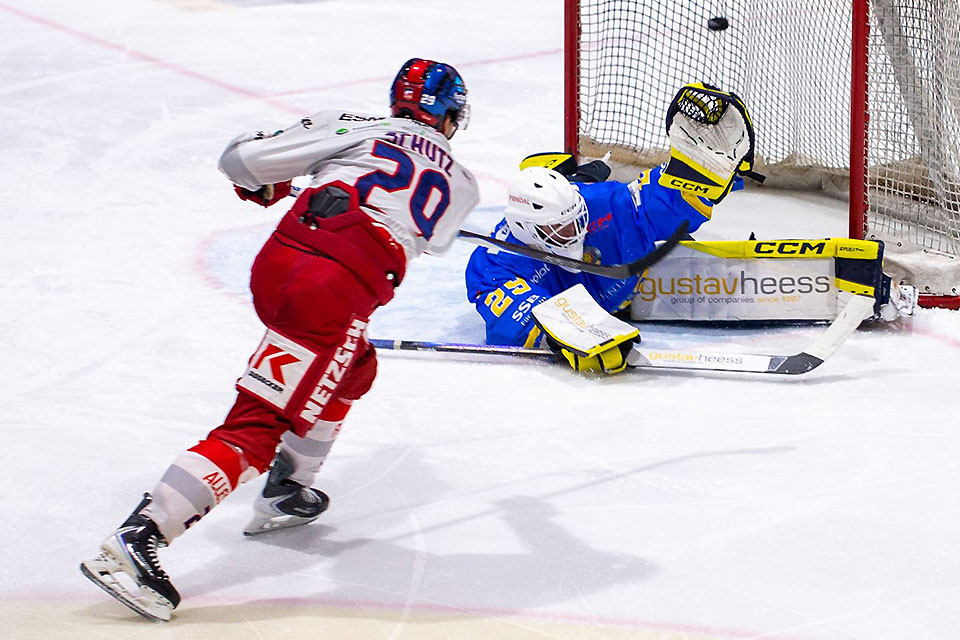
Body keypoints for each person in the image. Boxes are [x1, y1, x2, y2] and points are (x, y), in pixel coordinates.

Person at [80, 58, 479, 622]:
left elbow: (239, 160)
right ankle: (140, 537)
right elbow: (430, 235)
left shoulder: (350, 125)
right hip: (332, 291)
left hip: (279, 265)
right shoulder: (462, 183)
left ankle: (287, 490)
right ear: (453, 117)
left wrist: (277, 180)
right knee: (260, 420)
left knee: (354, 366)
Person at [464, 85, 758, 374]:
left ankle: (575, 176)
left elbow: (648, 203)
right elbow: (513, 316)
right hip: (593, 301)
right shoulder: (493, 262)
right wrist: (569, 334)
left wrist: (698, 177)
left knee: (652, 220)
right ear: (527, 230)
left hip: (616, 282)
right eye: (560, 228)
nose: (573, 231)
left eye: (575, 220)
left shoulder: (593, 204)